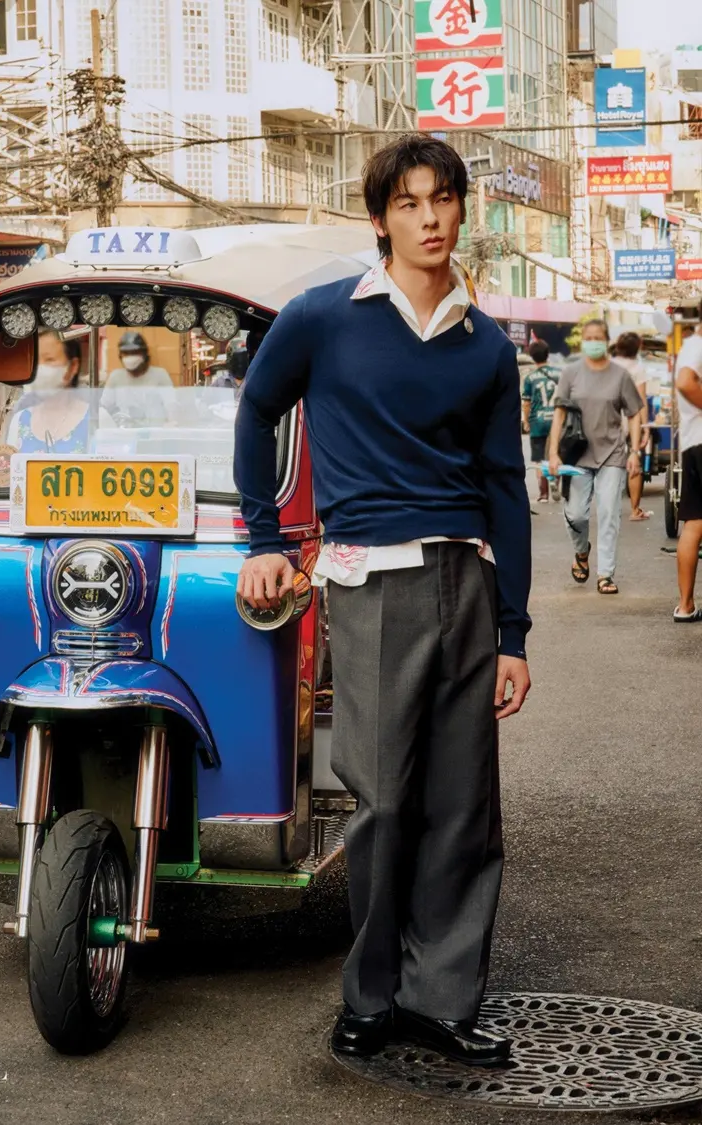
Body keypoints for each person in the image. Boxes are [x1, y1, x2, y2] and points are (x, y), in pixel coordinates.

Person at [234, 133, 531, 1068]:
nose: (430, 217)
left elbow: (505, 487)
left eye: (443, 199)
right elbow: (257, 409)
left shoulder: (487, 346)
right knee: (384, 801)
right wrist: (262, 538)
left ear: (461, 210)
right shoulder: (324, 317)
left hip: (466, 579)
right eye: (409, 202)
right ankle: (369, 999)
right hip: (369, 580)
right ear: (380, 220)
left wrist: (515, 631)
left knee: (465, 806)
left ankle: (443, 1000)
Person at [548, 320, 643, 595]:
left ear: (607, 340)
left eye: (598, 337)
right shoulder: (570, 373)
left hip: (612, 454)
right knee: (576, 514)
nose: (593, 342)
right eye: (588, 337)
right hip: (577, 455)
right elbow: (559, 414)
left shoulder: (620, 376)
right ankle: (581, 551)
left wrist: (634, 451)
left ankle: (605, 574)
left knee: (609, 513)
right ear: (582, 342)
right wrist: (553, 453)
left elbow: (634, 414)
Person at [7, 330, 90, 453]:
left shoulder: (95, 420)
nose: (39, 368)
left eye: (49, 359)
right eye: (34, 361)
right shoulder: (19, 420)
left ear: (73, 366)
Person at [672, 316, 702, 622]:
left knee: (694, 523)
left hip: (693, 445)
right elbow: (685, 382)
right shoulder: (698, 345)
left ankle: (686, 605)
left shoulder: (690, 345)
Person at [612, 331, 652, 521]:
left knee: (610, 464)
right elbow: (641, 400)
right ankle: (635, 510)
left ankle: (610, 508)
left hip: (608, 419)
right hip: (630, 420)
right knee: (634, 463)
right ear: (638, 347)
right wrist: (645, 427)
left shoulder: (608, 365)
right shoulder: (637, 369)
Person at [102, 331, 174, 424]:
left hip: (155, 430)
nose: (130, 357)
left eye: (134, 352)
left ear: (144, 354)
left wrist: (172, 422)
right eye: (126, 353)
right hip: (125, 429)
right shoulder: (116, 376)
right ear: (120, 356)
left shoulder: (160, 374)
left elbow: (171, 404)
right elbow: (104, 406)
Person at [521, 339, 560, 503]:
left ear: (532, 356)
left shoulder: (530, 378)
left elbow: (526, 402)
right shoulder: (560, 374)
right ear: (547, 354)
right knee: (556, 453)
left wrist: (526, 421)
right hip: (557, 421)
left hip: (538, 421)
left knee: (539, 458)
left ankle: (543, 493)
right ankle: (555, 480)